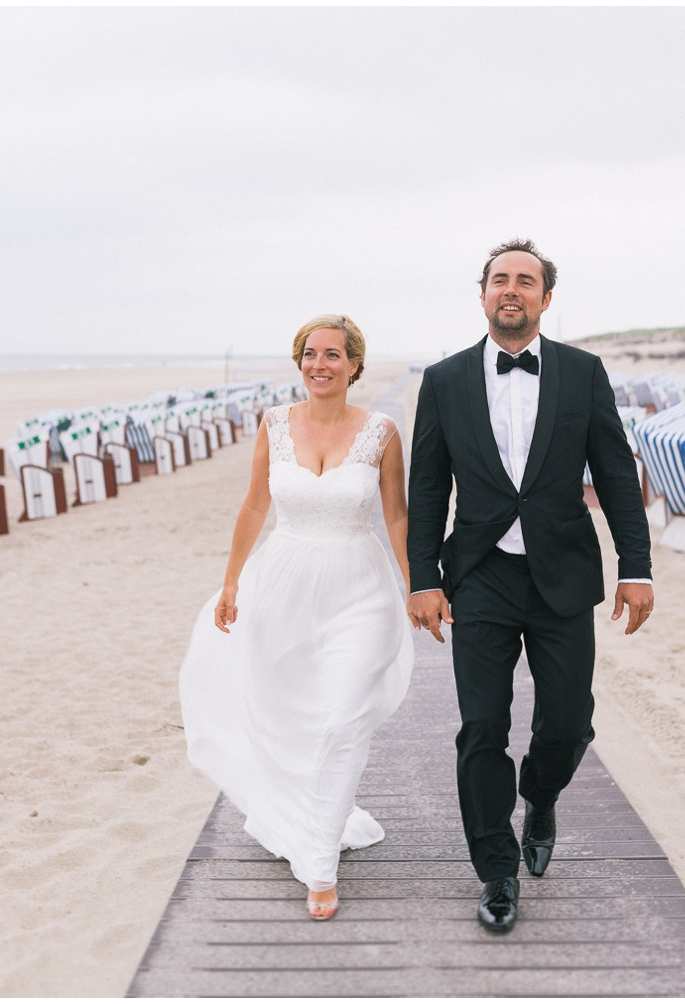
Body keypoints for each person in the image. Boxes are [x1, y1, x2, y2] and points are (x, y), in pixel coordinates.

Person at [406, 239, 654, 933]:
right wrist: (424, 578)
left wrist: (635, 566)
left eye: (525, 280)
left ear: (546, 298)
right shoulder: (446, 379)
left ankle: (540, 796)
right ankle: (496, 872)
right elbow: (427, 489)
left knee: (567, 723)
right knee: (482, 726)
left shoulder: (581, 372)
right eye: (499, 280)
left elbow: (614, 475)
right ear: (481, 294)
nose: (510, 289)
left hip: (564, 576)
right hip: (480, 576)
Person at [179, 314, 415, 922]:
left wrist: (418, 586)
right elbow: (256, 502)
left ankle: (320, 866)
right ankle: (308, 816)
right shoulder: (274, 424)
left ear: (354, 365)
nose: (320, 365)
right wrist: (231, 581)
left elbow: (396, 518)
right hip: (281, 585)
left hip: (360, 589)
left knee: (341, 719)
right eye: (310, 354)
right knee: (287, 718)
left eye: (333, 355)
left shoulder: (382, 432)